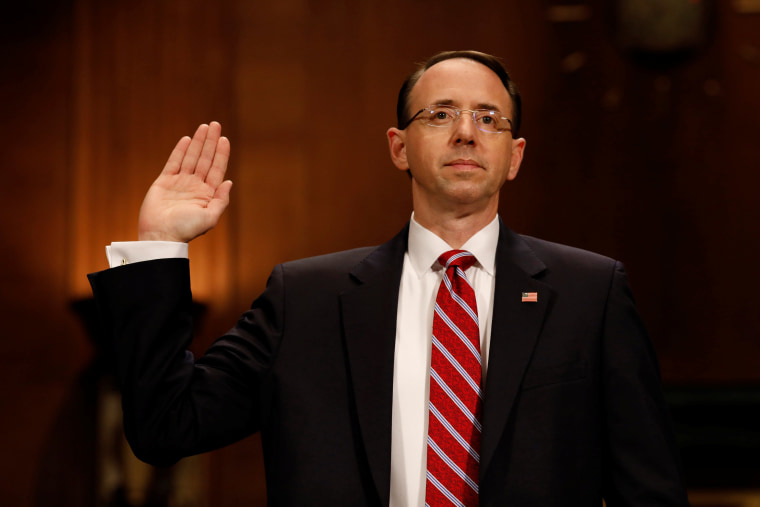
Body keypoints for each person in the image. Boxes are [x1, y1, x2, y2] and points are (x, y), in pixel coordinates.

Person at [88, 51, 690, 506]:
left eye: (489, 118)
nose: (466, 132)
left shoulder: (590, 293)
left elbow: (650, 490)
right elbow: (165, 426)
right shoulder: (306, 302)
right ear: (399, 147)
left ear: (516, 156)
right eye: (441, 114)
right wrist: (160, 245)